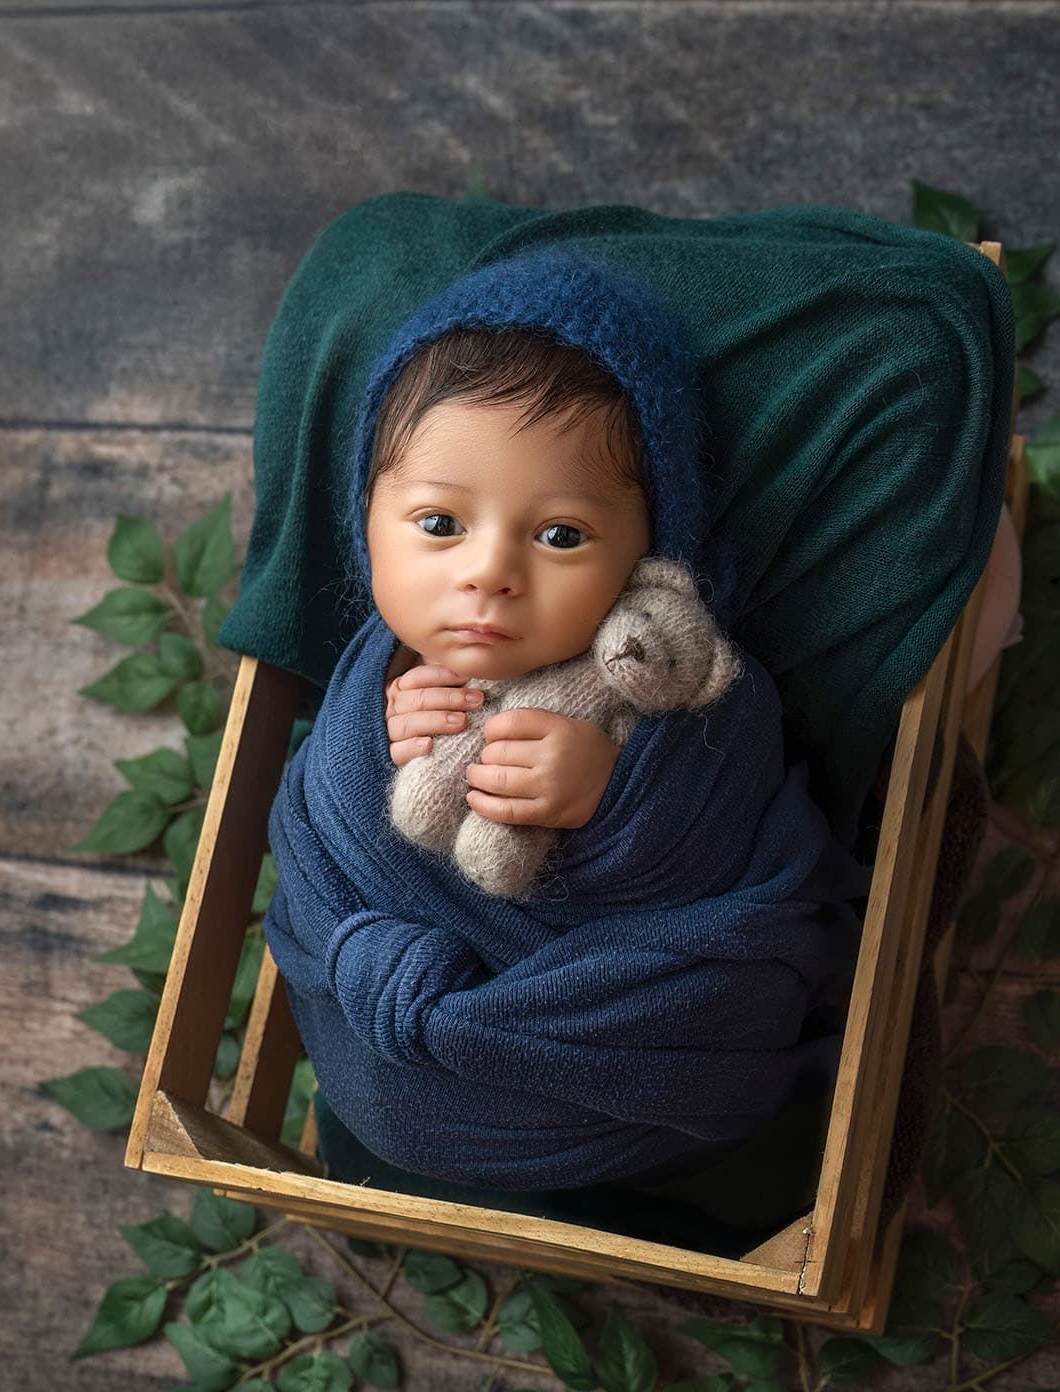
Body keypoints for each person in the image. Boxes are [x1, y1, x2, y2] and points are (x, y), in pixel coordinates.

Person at [260, 244, 1010, 1247]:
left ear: (645, 547)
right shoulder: (373, 678)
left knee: (739, 988)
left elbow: (751, 831)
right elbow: (317, 833)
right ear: (367, 523)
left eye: (559, 535)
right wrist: (366, 748)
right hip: (388, 1045)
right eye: (438, 523)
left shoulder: (673, 678)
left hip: (612, 1058)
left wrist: (612, 805)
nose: (488, 575)